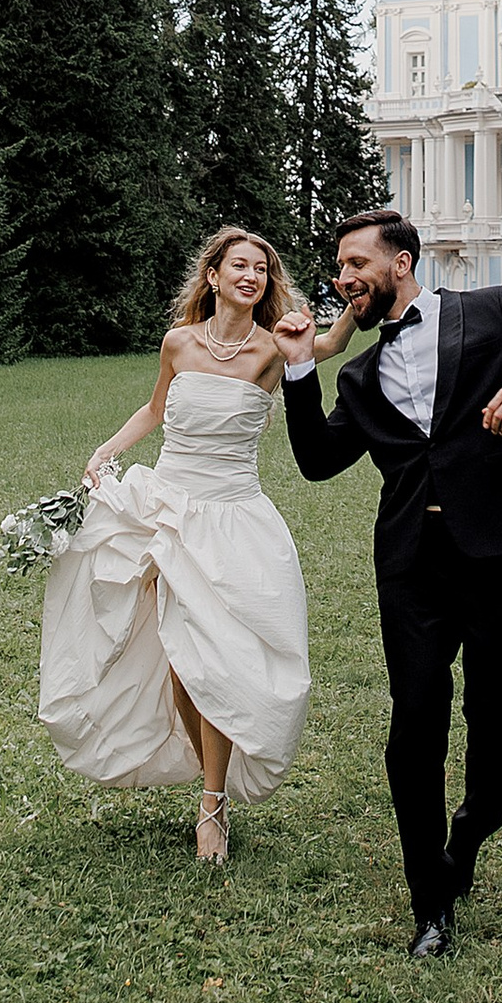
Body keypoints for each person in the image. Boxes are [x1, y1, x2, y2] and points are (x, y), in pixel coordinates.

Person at [271, 210, 502, 959]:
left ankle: (469, 836)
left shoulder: (490, 309)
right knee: (414, 724)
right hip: (412, 565)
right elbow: (319, 460)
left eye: (356, 261)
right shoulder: (359, 374)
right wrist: (299, 368)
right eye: (338, 268)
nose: (344, 277)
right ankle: (430, 902)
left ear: (402, 262)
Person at [37, 226, 331, 865]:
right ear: (214, 276)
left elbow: (326, 344)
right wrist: (107, 450)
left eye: (261, 269)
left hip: (233, 517)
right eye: (239, 266)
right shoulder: (178, 342)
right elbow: (156, 411)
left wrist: (358, 303)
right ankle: (212, 796)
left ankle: (212, 804)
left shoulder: (272, 349)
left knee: (215, 661)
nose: (251, 276)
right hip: (168, 511)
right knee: (181, 661)